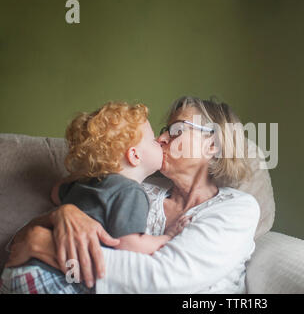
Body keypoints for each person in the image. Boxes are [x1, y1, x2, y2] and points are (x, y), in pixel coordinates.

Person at [3, 96, 261, 293]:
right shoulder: (136, 189)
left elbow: (163, 280)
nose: (161, 138)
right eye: (162, 130)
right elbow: (16, 245)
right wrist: (62, 214)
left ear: (213, 144)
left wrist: (47, 248)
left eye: (176, 130)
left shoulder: (238, 208)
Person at [0, 101, 190, 293]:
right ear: (134, 156)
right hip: (53, 278)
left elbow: (55, 192)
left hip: (18, 269)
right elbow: (131, 246)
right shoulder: (131, 192)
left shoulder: (86, 182)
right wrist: (168, 237)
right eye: (152, 140)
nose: (160, 140)